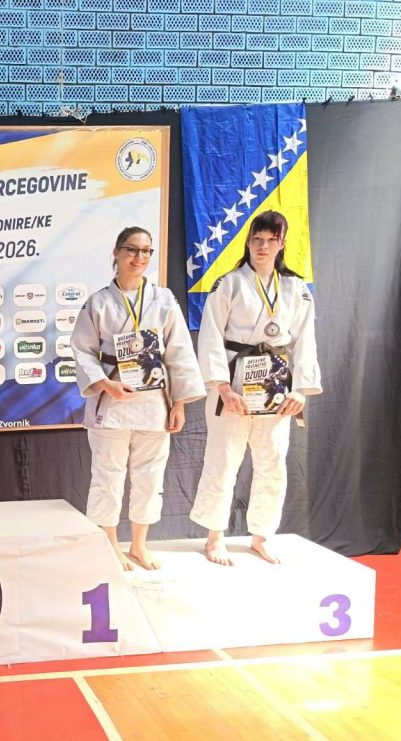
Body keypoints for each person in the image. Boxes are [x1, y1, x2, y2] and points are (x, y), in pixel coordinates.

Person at [189, 210, 321, 565]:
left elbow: (305, 341)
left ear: (282, 244)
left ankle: (261, 535)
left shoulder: (295, 289)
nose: (263, 247)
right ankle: (215, 537)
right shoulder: (229, 283)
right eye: (257, 240)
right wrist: (223, 388)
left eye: (271, 240)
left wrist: (300, 390)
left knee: (272, 461)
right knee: (223, 459)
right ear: (248, 242)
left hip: (275, 385)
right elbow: (211, 336)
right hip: (233, 382)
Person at [71, 227, 205, 570]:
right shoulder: (98, 302)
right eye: (132, 249)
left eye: (146, 251)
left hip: (153, 401)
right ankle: (109, 544)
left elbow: (179, 352)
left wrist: (178, 403)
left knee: (150, 475)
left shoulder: (164, 300)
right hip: (112, 399)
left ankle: (139, 545)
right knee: (108, 475)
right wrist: (105, 384)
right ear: (116, 252)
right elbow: (82, 350)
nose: (139, 257)